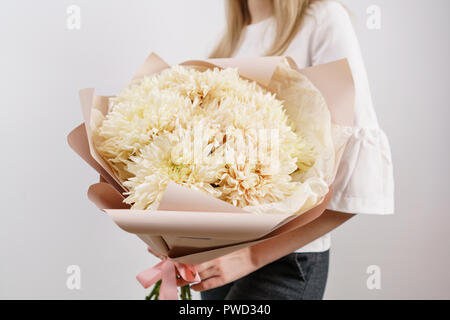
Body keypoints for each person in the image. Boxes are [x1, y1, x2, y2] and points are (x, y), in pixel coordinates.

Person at [175, 0, 394, 300]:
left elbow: (355, 179)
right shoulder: (231, 39)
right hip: (219, 263)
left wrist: (250, 256)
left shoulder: (322, 19)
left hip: (284, 262)